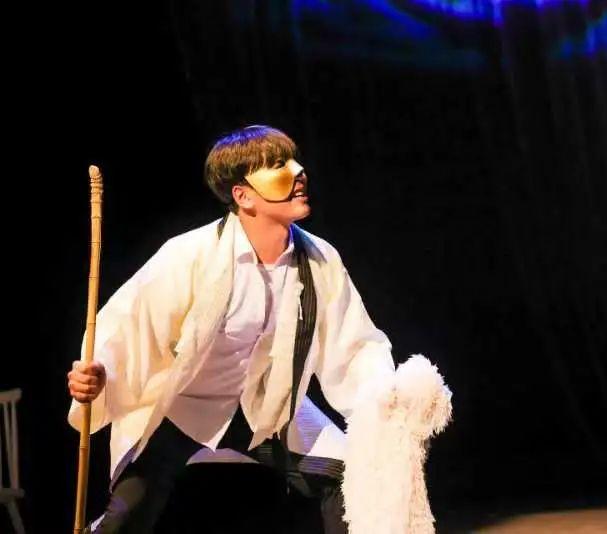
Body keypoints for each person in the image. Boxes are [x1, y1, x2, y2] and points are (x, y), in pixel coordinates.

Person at [67, 124, 395, 533]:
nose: (298, 172)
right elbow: (129, 326)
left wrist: (387, 397)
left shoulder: (319, 260)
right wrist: (100, 373)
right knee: (128, 515)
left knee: (353, 479)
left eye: (294, 160)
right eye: (278, 164)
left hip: (267, 407)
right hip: (182, 407)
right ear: (243, 196)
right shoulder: (190, 255)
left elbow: (355, 345)